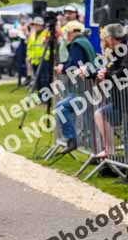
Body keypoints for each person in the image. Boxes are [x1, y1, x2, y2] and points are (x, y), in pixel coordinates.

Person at [53, 21, 99, 154]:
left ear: (72, 32)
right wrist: (64, 65)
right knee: (89, 120)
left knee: (61, 108)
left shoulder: (76, 44)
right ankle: (93, 151)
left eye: (67, 32)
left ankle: (71, 140)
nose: (66, 35)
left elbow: (75, 65)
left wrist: (63, 68)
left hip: (82, 88)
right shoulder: (85, 41)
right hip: (89, 87)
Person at [94, 23, 128, 163]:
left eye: (106, 37)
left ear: (111, 38)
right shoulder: (115, 50)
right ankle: (110, 150)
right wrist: (102, 73)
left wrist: (107, 74)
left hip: (124, 98)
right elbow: (110, 68)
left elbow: (124, 71)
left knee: (126, 134)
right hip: (119, 99)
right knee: (100, 114)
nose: (105, 40)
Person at [26, 17, 50, 84]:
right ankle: (39, 94)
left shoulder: (47, 34)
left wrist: (46, 57)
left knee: (44, 80)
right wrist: (29, 56)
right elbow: (29, 47)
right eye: (34, 25)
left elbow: (51, 48)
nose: (35, 26)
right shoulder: (32, 34)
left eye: (37, 25)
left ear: (41, 25)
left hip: (44, 60)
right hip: (35, 61)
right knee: (37, 81)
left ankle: (44, 94)